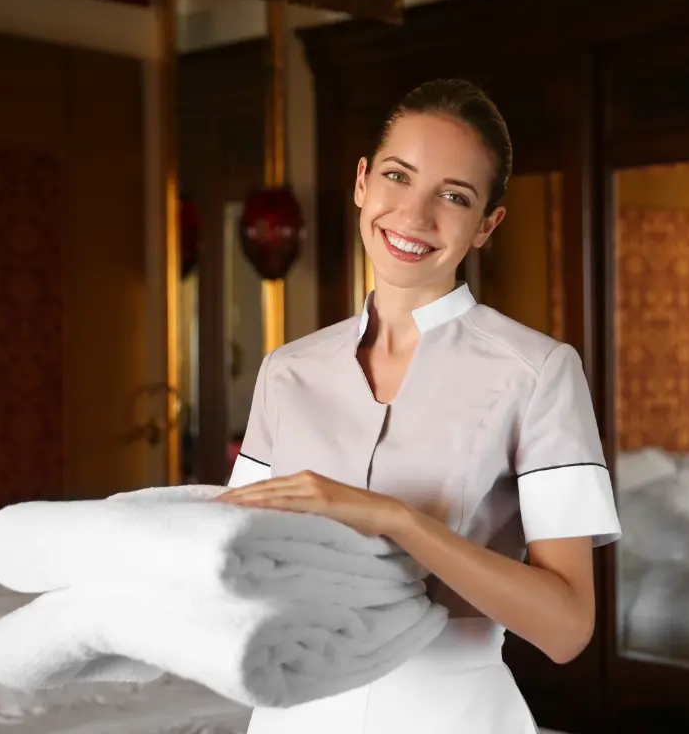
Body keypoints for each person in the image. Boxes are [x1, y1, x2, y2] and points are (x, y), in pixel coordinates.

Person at [216, 78, 621, 734]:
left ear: (487, 224)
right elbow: (234, 557)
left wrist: (399, 520)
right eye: (397, 176)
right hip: (293, 711)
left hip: (452, 714)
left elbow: (568, 628)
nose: (414, 214)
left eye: (454, 196)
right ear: (361, 182)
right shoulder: (287, 372)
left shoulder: (540, 373)